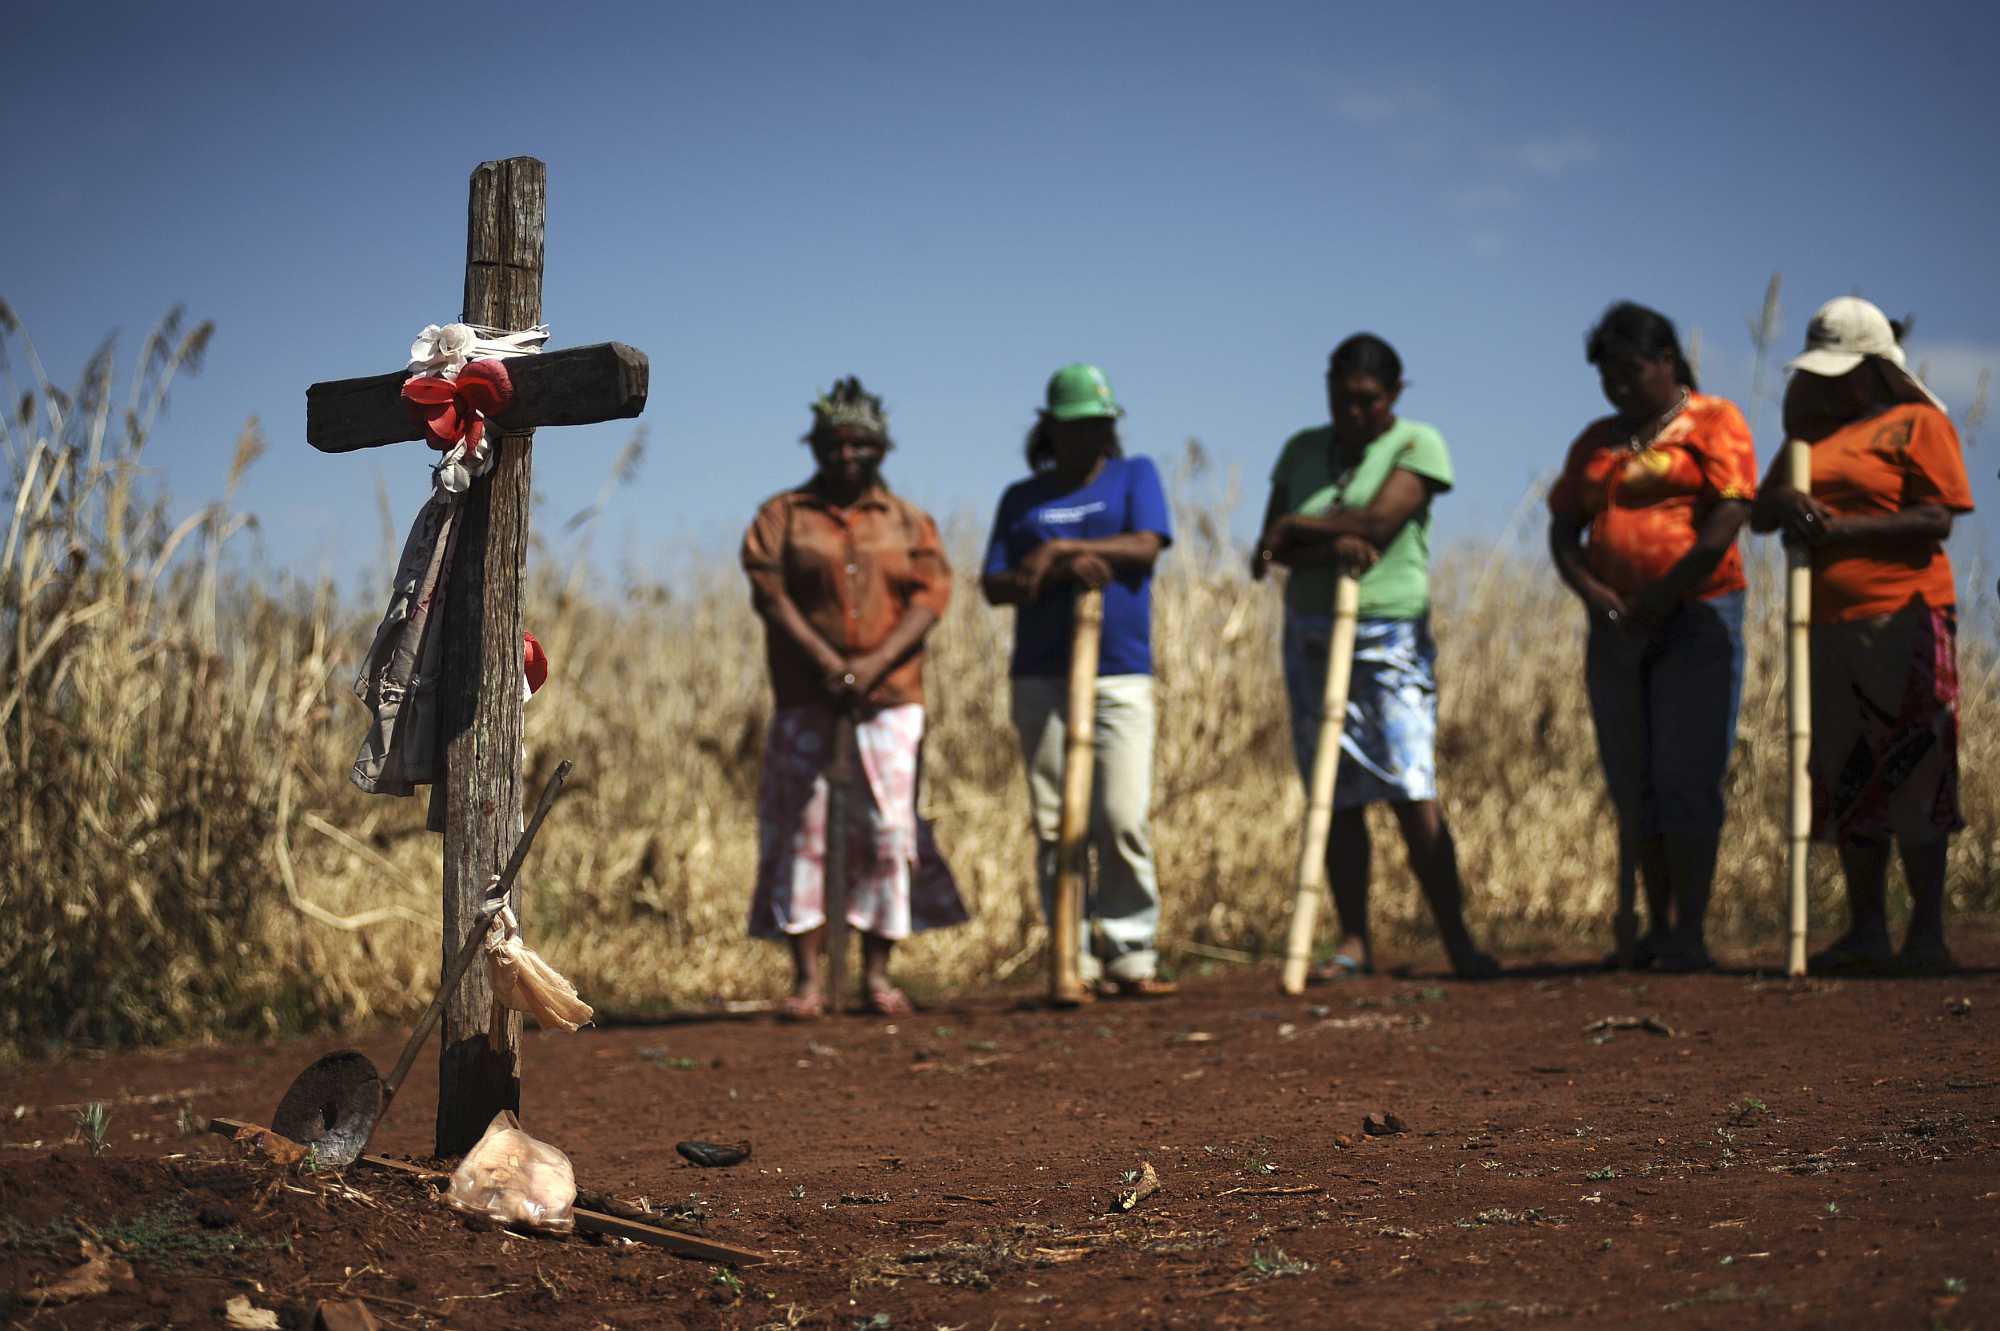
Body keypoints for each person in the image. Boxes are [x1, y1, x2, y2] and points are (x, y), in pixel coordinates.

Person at [1254, 333, 1499, 980]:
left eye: (1366, 400)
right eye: (1340, 398)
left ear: (1392, 397)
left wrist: (1304, 529)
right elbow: (1268, 546)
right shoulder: (1302, 450)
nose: (1352, 412)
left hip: (1388, 631)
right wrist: (1325, 537)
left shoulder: (1419, 443)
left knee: (1409, 783)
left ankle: (1457, 938)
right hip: (1310, 627)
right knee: (1332, 792)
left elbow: (1378, 526)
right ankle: (1354, 938)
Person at [1752, 297, 1974, 975]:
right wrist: (1788, 501)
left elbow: (1936, 517)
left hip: (1904, 617)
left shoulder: (1917, 423)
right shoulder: (1809, 438)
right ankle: (1867, 929)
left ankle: (1927, 933)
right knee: (1849, 772)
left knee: (1916, 761)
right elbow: (1762, 510)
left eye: (1843, 370)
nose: (1831, 383)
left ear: (1876, 368)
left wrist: (1840, 531)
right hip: (1825, 625)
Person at [741, 376, 968, 1019]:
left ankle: (876, 975)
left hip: (890, 698)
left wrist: (870, 665)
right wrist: (827, 664)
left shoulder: (907, 521)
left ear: (879, 450)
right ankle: (809, 981)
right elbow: (770, 592)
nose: (845, 457)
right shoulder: (782, 516)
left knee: (889, 828)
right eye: (834, 445)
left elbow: (930, 598)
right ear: (817, 448)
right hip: (805, 697)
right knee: (803, 830)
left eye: (858, 446)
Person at [1547, 302, 1756, 972]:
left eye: (1630, 371)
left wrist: (1667, 594)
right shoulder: (1595, 442)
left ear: (1666, 361)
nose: (1618, 386)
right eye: (1607, 375)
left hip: (1696, 618)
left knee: (1686, 775)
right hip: (1616, 629)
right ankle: (1654, 926)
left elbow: (1728, 516)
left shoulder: (1715, 422)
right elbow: (1562, 529)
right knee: (1633, 778)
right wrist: (1597, 594)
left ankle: (1688, 929)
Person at [982, 364, 1176, 999]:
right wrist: (1039, 575)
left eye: (1098, 426)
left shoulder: (1134, 476)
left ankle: (1129, 949)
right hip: (1042, 674)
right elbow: (995, 583)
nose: (1088, 437)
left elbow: (1146, 547)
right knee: (1053, 820)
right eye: (1075, 428)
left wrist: (1060, 554)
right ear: (1050, 431)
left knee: (1120, 814)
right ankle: (1073, 951)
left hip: (1119, 672)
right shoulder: (1021, 498)